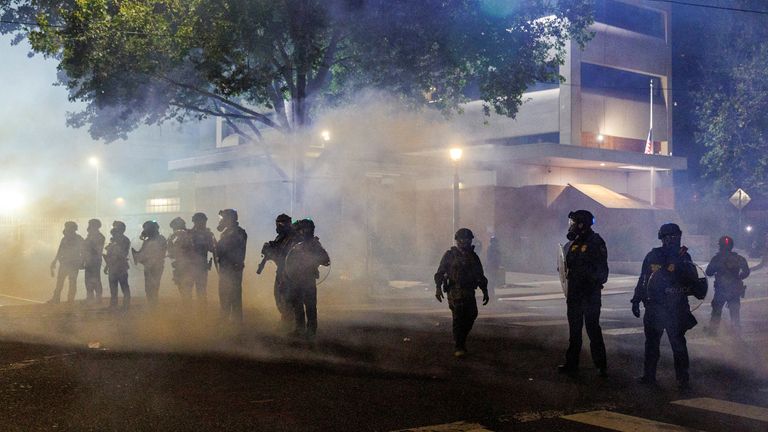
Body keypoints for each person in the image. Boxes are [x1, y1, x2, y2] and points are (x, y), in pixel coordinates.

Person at [631, 223, 698, 390]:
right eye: (669, 237)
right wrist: (636, 299)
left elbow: (693, 281)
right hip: (655, 307)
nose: (673, 240)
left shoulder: (684, 257)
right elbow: (644, 279)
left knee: (678, 344)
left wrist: (680, 264)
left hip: (676, 308)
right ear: (663, 238)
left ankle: (683, 378)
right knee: (652, 344)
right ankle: (649, 376)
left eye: (676, 236)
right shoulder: (653, 255)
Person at [558, 210, 609, 377]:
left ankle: (601, 365)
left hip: (590, 295)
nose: (571, 226)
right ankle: (571, 363)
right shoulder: (573, 244)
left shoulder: (596, 242)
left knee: (592, 329)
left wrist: (589, 280)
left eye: (573, 223)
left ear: (582, 224)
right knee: (574, 331)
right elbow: (565, 266)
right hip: (574, 295)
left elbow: (603, 272)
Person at [434, 228, 489, 357]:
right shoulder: (450, 255)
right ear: (457, 241)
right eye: (462, 239)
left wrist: (485, 290)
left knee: (471, 314)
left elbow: (479, 275)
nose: (465, 242)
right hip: (455, 290)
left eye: (468, 239)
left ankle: (461, 339)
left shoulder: (473, 257)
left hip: (469, 291)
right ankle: (459, 346)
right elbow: (440, 272)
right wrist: (438, 288)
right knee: (458, 316)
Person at [284, 219, 330, 339]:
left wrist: (312, 259)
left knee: (310, 306)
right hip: (297, 279)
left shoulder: (315, 245)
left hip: (308, 279)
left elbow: (326, 260)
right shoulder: (299, 246)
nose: (299, 232)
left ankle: (311, 332)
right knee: (298, 304)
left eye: (301, 230)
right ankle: (300, 330)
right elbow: (290, 260)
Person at [705, 235, 750, 335]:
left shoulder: (716, 258)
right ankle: (736, 331)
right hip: (734, 290)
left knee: (717, 311)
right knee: (734, 311)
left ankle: (713, 330)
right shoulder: (738, 258)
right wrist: (739, 277)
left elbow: (708, 272)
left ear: (720, 246)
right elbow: (746, 271)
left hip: (721, 290)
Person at [259, 213, 295, 323]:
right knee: (279, 295)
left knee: (285, 297)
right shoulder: (282, 237)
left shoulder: (291, 238)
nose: (278, 226)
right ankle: (286, 318)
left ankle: (288, 321)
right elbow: (275, 248)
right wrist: (268, 248)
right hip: (281, 271)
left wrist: (272, 251)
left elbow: (284, 255)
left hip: (288, 272)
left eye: (280, 224)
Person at [216, 209, 247, 323]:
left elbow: (227, 249)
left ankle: (236, 325)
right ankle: (226, 322)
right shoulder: (228, 232)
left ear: (229, 219)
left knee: (233, 296)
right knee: (224, 295)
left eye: (222, 219)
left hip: (232, 269)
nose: (221, 221)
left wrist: (216, 245)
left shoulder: (237, 233)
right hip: (226, 269)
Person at [132, 220, 167, 307]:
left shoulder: (160, 239)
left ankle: (153, 306)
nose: (145, 231)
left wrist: (142, 257)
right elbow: (142, 253)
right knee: (148, 288)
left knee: (153, 287)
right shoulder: (148, 240)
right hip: (149, 266)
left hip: (156, 267)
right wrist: (137, 255)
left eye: (146, 229)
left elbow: (160, 254)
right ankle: (152, 305)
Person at [49, 221, 84, 304]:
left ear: (72, 229)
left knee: (71, 282)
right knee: (60, 282)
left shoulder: (78, 239)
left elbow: (84, 250)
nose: (66, 229)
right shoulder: (65, 239)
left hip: (73, 263)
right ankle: (56, 299)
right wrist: (55, 261)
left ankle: (70, 299)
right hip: (65, 263)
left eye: (67, 227)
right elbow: (60, 250)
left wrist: (82, 261)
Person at [188, 212, 217, 307]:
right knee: (188, 292)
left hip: (201, 267)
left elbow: (213, 249)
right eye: (200, 221)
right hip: (189, 266)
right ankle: (188, 313)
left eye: (203, 221)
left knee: (201, 291)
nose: (203, 223)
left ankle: (202, 314)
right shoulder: (189, 233)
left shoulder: (208, 234)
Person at [104, 221, 131, 310]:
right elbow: (110, 254)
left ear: (121, 229)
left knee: (124, 286)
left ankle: (126, 304)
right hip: (113, 266)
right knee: (113, 287)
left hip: (120, 266)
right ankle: (114, 304)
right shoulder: (114, 240)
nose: (114, 229)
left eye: (116, 228)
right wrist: (107, 265)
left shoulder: (124, 240)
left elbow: (122, 253)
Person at [167, 217, 194, 300]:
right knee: (185, 287)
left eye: (174, 227)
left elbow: (174, 249)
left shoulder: (177, 235)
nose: (173, 230)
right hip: (184, 265)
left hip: (184, 265)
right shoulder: (190, 234)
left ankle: (187, 306)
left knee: (184, 287)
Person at [83, 219, 105, 303]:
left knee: (95, 279)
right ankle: (90, 297)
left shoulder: (99, 236)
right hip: (89, 260)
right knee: (88, 279)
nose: (88, 226)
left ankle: (98, 298)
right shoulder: (91, 236)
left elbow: (96, 249)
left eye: (90, 224)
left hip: (94, 260)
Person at [486, 236, 503, 302]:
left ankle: (491, 295)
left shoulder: (493, 248)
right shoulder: (492, 248)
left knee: (491, 282)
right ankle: (491, 296)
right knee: (491, 282)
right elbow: (493, 259)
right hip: (492, 267)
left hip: (492, 267)